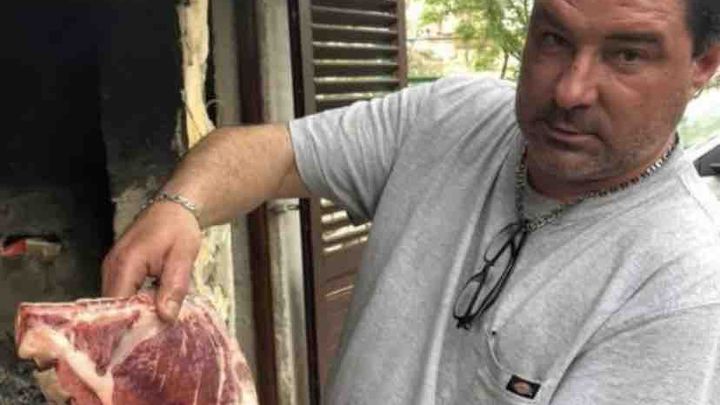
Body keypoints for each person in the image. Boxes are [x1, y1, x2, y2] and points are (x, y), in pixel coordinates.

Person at [103, 0, 720, 403]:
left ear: (703, 65)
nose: (570, 90)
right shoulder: (451, 119)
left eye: (627, 54)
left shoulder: (686, 282)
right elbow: (273, 154)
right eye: (555, 39)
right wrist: (178, 206)